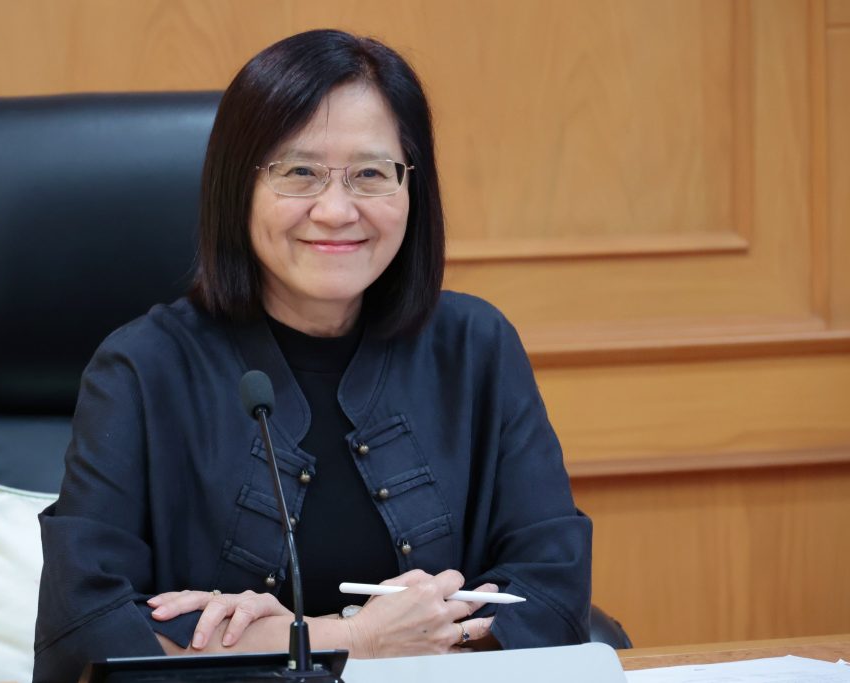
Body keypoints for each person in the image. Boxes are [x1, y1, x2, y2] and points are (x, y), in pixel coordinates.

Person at [33, 28, 592, 683]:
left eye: (370, 174)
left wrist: (414, 642)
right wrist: (352, 639)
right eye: (299, 172)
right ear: (238, 187)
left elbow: (554, 593)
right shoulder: (142, 368)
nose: (335, 209)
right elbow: (83, 632)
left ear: (411, 187)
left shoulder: (476, 347)